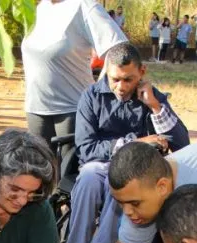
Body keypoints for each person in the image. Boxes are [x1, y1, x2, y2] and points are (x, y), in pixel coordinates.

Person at [60, 42, 190, 243]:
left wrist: (155, 106)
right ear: (106, 71)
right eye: (114, 79)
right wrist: (135, 142)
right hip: (96, 165)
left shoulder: (151, 97)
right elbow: (86, 149)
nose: (120, 87)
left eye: (128, 80)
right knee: (89, 176)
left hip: (138, 172)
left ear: (141, 72)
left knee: (122, 181)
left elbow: (181, 143)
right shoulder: (91, 96)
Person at [21, 0, 126, 163]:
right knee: (39, 174)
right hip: (36, 107)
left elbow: (118, 49)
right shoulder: (40, 9)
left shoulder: (83, 6)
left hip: (72, 109)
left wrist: (100, 90)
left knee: (68, 176)